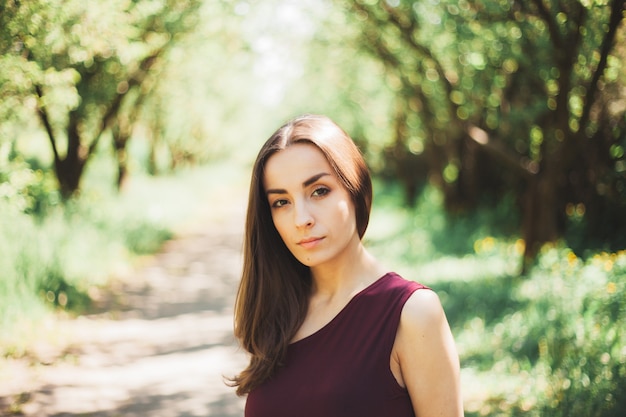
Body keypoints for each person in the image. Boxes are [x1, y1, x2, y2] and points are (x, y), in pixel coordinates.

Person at [230, 114, 463, 417]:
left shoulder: (413, 313)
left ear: (356, 190)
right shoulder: (279, 310)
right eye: (281, 202)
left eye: (319, 191)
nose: (302, 219)